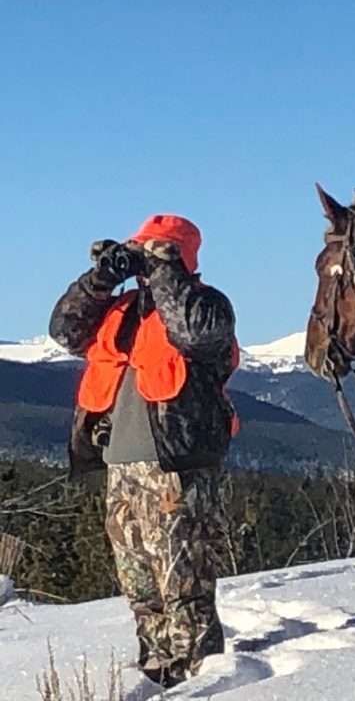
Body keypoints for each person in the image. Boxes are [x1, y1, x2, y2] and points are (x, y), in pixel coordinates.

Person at [49, 214, 238, 689]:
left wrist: (163, 271)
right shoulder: (121, 310)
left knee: (185, 588)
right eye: (139, 248)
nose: (141, 257)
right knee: (141, 590)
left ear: (181, 256)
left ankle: (201, 681)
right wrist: (100, 278)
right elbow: (64, 331)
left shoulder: (207, 307)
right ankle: (158, 678)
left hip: (177, 469)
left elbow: (193, 333)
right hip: (121, 467)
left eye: (154, 248)